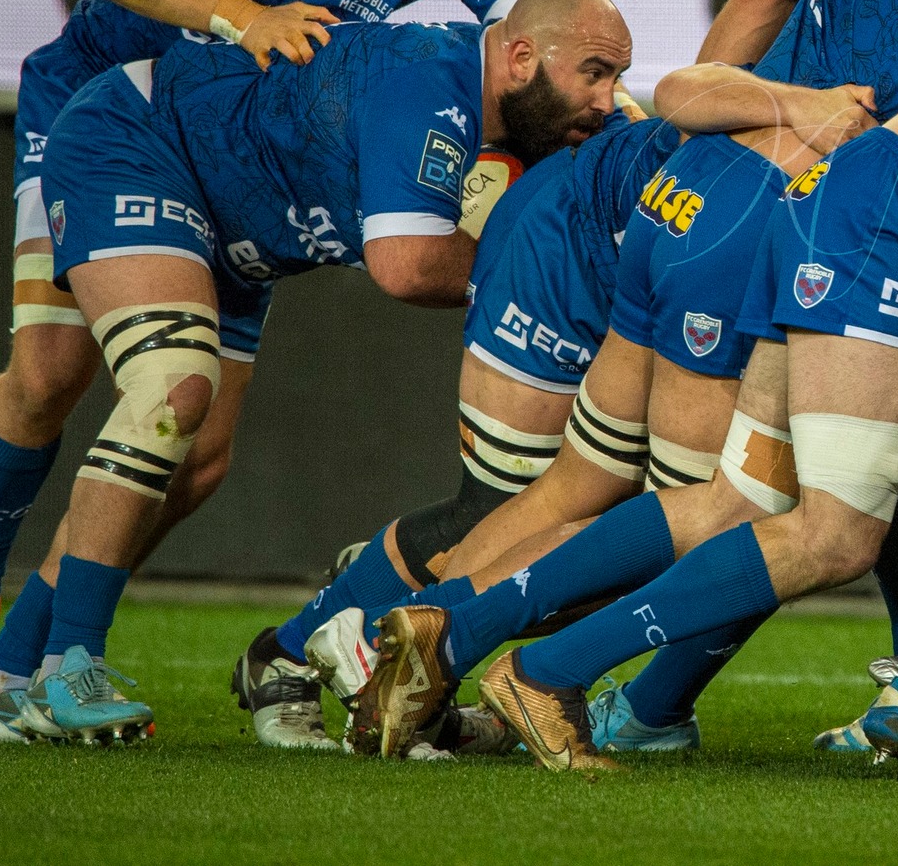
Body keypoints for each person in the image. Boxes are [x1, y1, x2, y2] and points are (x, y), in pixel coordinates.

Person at [0, 0, 543, 738]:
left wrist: (609, 111)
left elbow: (538, 32)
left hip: (238, 161)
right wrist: (236, 16)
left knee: (196, 451)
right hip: (107, 115)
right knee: (49, 372)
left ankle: (22, 653)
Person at [439, 38, 898, 775]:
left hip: (821, 206)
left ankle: (463, 631)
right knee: (833, 535)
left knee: (741, 499)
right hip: (872, 227)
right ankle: (555, 674)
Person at [0, 0, 627, 744]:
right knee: (172, 383)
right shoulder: (433, 86)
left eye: (618, 77)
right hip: (139, 139)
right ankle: (70, 663)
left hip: (237, 224)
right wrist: (524, 271)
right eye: (595, 74)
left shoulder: (527, 113)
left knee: (193, 460)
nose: (608, 98)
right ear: (521, 55)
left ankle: (0, 676)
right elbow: (405, 264)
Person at [227, 108, 682, 750]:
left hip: (643, 261)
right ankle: (322, 645)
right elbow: (729, 41)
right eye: (597, 70)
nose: (610, 95)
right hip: (568, 253)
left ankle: (387, 616)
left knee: (656, 533)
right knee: (516, 517)